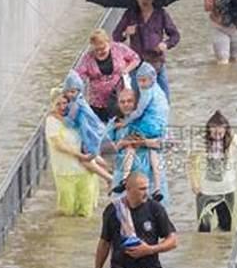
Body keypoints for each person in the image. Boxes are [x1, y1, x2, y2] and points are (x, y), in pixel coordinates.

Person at [92, 172, 178, 268]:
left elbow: (173, 240)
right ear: (128, 189)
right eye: (141, 189)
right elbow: (104, 242)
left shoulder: (155, 209)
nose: (146, 192)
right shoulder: (113, 210)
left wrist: (150, 250)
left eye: (147, 188)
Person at [111, 63, 169, 201]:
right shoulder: (113, 124)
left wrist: (144, 142)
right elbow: (102, 151)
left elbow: (167, 143)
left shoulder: (147, 120)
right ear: (117, 103)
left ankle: (157, 189)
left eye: (130, 101)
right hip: (127, 184)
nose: (126, 104)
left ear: (137, 101)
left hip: (149, 180)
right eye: (122, 101)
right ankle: (124, 181)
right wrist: (123, 143)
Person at [112, 0, 180, 102]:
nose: (145, 1)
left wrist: (166, 44)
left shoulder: (161, 14)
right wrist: (126, 33)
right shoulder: (130, 14)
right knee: (136, 98)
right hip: (137, 63)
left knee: (164, 98)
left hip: (156, 62)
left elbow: (175, 35)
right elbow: (116, 36)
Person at [44, 89, 101, 217]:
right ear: (52, 105)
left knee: (86, 209)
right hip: (65, 170)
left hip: (85, 170)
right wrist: (80, 156)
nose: (62, 107)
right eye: (58, 104)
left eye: (65, 103)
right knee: (67, 209)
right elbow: (59, 145)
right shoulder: (52, 121)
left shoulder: (75, 117)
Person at [75, 29, 140, 122]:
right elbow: (79, 75)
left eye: (102, 48)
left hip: (118, 97)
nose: (100, 52)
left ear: (108, 42)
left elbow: (135, 58)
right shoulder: (88, 58)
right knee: (100, 127)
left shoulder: (119, 48)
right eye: (96, 50)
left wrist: (126, 70)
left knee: (119, 124)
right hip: (98, 101)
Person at [62, 70, 113, 185]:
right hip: (92, 132)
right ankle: (109, 170)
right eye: (68, 91)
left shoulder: (76, 104)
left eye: (73, 91)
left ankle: (109, 178)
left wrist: (61, 119)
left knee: (86, 160)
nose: (71, 94)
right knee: (92, 156)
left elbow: (70, 121)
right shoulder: (80, 100)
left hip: (88, 135)